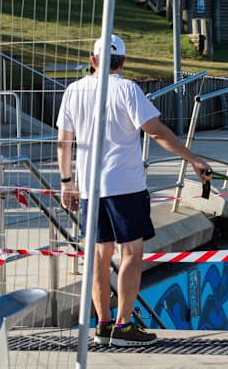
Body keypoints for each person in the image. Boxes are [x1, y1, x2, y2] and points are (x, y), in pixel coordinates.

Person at [57, 34, 212, 347]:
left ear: (93, 60)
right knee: (131, 253)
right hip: (125, 185)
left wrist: (66, 182)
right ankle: (124, 325)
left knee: (99, 255)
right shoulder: (127, 89)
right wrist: (193, 159)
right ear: (123, 63)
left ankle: (102, 325)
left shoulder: (73, 91)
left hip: (89, 186)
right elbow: (155, 132)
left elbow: (64, 140)